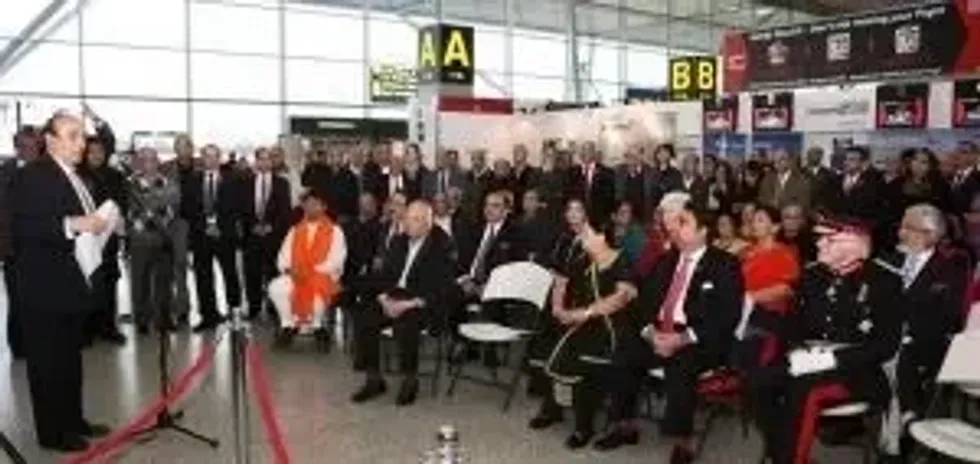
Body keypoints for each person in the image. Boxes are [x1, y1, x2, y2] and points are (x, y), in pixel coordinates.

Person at [597, 198, 743, 463]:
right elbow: (641, 305)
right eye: (674, 223)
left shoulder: (725, 264)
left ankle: (682, 442)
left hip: (697, 338)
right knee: (624, 350)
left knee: (682, 363)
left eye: (683, 223)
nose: (674, 228)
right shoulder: (666, 259)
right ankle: (625, 425)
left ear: (703, 231)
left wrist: (682, 338)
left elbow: (726, 317)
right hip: (659, 331)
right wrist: (651, 333)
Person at [751, 214, 903, 464]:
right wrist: (762, 320)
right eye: (819, 238)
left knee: (803, 390)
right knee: (758, 381)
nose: (819, 244)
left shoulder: (884, 281)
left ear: (855, 244)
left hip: (857, 368)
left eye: (828, 239)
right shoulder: (812, 276)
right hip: (808, 358)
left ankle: (791, 458)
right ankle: (782, 452)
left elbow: (885, 346)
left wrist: (831, 359)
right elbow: (795, 325)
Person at [10, 112, 111, 451]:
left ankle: (73, 420)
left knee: (69, 360)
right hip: (43, 288)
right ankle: (53, 434)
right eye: (72, 136)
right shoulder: (33, 176)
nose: (81, 143)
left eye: (82, 136)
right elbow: (21, 228)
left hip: (70, 284)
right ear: (49, 139)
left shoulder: (74, 175)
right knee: (47, 365)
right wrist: (73, 224)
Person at [527, 220, 637, 449]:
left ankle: (583, 427)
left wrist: (582, 314)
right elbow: (561, 282)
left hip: (613, 326)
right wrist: (558, 307)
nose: (582, 239)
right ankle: (553, 408)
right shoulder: (583, 260)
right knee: (547, 340)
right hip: (584, 322)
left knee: (583, 356)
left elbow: (620, 298)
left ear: (602, 237)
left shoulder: (621, 260)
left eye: (588, 235)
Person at [879, 204, 969, 461]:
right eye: (902, 226)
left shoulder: (951, 267)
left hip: (923, 340)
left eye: (909, 228)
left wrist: (906, 330)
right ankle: (898, 422)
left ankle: (905, 429)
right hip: (887, 335)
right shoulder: (889, 258)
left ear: (931, 235)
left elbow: (947, 316)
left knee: (902, 356)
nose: (901, 234)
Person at [351, 200, 454, 406]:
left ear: (428, 222)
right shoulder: (399, 241)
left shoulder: (442, 244)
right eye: (407, 218)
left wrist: (408, 304)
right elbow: (385, 274)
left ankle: (410, 379)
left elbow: (441, 287)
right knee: (365, 315)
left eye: (415, 220)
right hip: (394, 294)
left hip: (420, 301)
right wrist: (383, 298)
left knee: (407, 323)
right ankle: (374, 379)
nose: (408, 224)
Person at [267, 190, 346, 349]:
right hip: (296, 275)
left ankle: (317, 327)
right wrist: (290, 270)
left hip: (323, 276)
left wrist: (309, 271)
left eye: (314, 204)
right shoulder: (295, 230)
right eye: (307, 204)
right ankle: (288, 326)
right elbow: (283, 257)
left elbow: (336, 260)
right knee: (276, 287)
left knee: (316, 296)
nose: (310, 208)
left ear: (324, 207)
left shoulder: (335, 231)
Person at [127, 147, 181, 334]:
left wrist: (155, 217)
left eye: (152, 159)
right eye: (144, 160)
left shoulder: (168, 183)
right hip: (139, 238)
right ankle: (142, 319)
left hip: (163, 237)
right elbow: (129, 209)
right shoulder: (130, 183)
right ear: (139, 162)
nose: (148, 163)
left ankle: (163, 318)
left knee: (164, 281)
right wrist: (144, 217)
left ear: (158, 162)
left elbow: (172, 207)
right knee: (139, 281)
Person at [1, 126, 43, 359]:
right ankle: (19, 346)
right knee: (17, 300)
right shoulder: (4, 172)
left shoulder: (48, 171)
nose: (30, 151)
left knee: (40, 300)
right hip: (14, 248)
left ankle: (38, 342)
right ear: (16, 147)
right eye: (25, 147)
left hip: (43, 248)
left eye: (35, 147)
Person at [243, 148, 292, 321]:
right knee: (252, 274)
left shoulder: (282, 183)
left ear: (272, 162)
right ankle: (254, 308)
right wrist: (252, 226)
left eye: (267, 159)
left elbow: (285, 212)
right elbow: (243, 209)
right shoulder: (247, 182)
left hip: (274, 236)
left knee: (273, 273)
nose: (264, 162)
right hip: (252, 236)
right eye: (260, 159)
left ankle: (274, 308)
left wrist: (271, 227)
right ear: (256, 162)